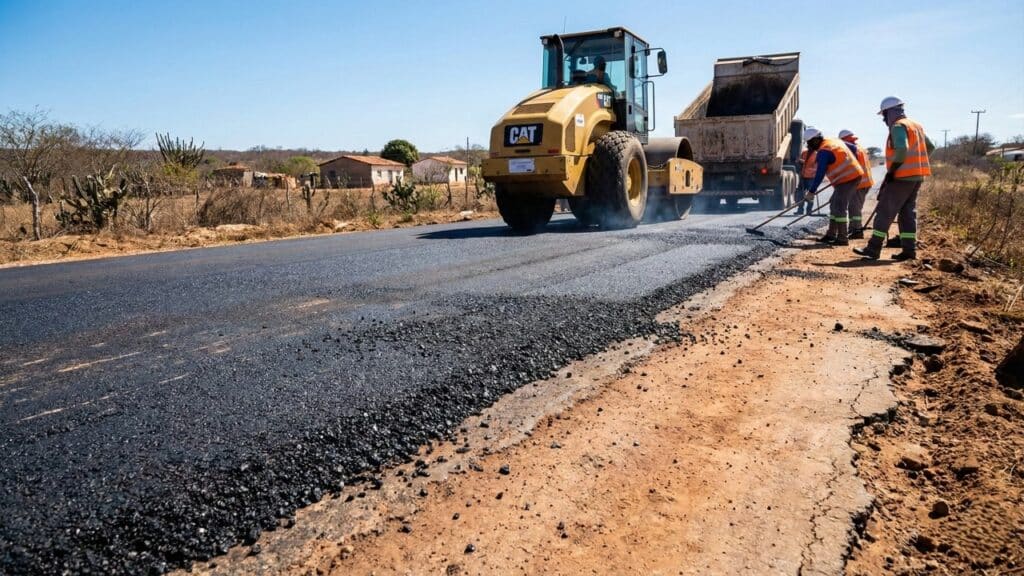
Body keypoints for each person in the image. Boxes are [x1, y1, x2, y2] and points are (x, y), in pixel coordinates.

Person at [854, 96, 935, 261]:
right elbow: (931, 147)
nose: (884, 119)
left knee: (885, 211)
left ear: (889, 112)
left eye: (884, 115)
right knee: (907, 214)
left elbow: (901, 150)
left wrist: (892, 171)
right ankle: (909, 251)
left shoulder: (898, 126)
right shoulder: (916, 126)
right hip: (917, 177)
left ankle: (873, 249)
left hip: (901, 177)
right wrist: (917, 162)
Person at [802, 127, 866, 246]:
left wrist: (811, 191)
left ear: (816, 140)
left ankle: (842, 238)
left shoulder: (824, 151)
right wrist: (853, 163)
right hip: (847, 178)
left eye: (810, 143)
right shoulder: (834, 141)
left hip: (848, 179)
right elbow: (853, 148)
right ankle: (831, 234)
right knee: (834, 204)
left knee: (839, 207)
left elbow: (820, 173)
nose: (809, 146)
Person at [839, 129, 874, 239]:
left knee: (854, 208)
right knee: (854, 207)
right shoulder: (859, 147)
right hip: (864, 182)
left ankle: (857, 231)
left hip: (860, 183)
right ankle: (853, 229)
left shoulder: (852, 149)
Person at [796, 143, 817, 215]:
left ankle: (809, 211)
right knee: (800, 194)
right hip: (803, 176)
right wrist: (798, 162)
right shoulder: (804, 153)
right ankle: (800, 210)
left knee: (810, 194)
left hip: (811, 177)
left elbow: (812, 165)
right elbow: (800, 162)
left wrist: (803, 162)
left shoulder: (816, 155)